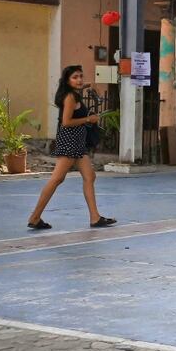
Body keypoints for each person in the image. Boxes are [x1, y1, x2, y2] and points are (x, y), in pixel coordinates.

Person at [27, 65, 115, 230]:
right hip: (70, 141)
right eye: (75, 77)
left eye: (81, 76)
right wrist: (89, 119)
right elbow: (66, 122)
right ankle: (35, 217)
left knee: (90, 176)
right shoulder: (70, 97)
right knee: (57, 179)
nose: (79, 80)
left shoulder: (73, 93)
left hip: (77, 142)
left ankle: (95, 217)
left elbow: (80, 88)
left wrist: (89, 85)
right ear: (67, 80)